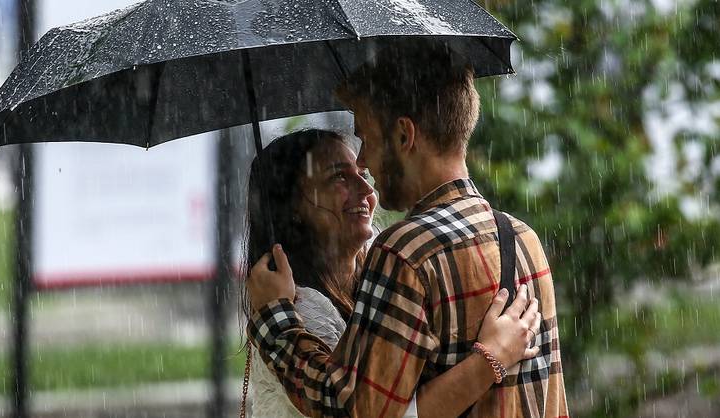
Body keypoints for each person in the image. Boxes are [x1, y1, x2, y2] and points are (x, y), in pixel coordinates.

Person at [246, 40, 569, 418]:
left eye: (366, 137)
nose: (365, 161)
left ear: (403, 136)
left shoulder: (407, 253)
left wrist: (274, 321)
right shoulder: (521, 238)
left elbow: (356, 411)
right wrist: (488, 362)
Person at [242, 129, 541, 418]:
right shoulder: (304, 308)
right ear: (292, 206)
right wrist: (490, 359)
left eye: (362, 175)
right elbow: (370, 411)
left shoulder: (382, 275)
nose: (366, 190)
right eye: (338, 177)